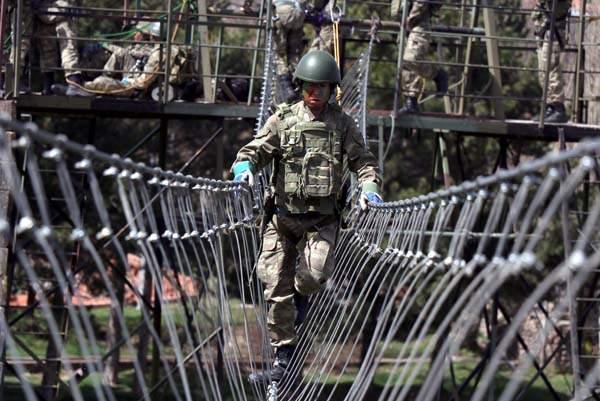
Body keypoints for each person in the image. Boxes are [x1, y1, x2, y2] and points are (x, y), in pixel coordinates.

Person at [231, 50, 382, 385]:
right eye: (310, 86)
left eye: (323, 87)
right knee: (274, 284)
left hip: (321, 222)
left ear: (332, 90)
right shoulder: (283, 119)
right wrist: (244, 168)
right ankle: (283, 359)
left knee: (313, 277)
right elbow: (255, 150)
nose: (316, 93)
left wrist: (369, 187)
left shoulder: (342, 124)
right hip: (281, 219)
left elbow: (363, 161)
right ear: (301, 86)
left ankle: (298, 295)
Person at [84, 22, 196, 100]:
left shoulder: (159, 54)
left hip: (141, 89)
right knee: (105, 78)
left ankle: (85, 86)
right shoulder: (171, 49)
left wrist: (128, 83)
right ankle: (87, 85)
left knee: (102, 81)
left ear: (152, 36)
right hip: (157, 85)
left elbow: (144, 81)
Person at [9, 0, 88, 96]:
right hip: (32, 6)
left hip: (40, 6)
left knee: (44, 44)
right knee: (24, 43)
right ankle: (71, 82)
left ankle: (49, 86)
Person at [397, 0, 448, 114]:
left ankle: (437, 74)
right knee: (407, 66)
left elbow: (421, 2)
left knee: (412, 59)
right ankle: (411, 102)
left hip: (418, 23)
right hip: (408, 23)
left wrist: (409, 21)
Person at [532, 0, 571, 123]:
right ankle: (550, 107)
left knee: (551, 67)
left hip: (553, 30)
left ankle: (557, 107)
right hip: (544, 29)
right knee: (543, 70)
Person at [272, 0, 305, 103]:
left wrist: (247, 5)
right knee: (294, 54)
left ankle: (287, 86)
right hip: (298, 13)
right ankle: (297, 84)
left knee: (278, 54)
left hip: (282, 12)